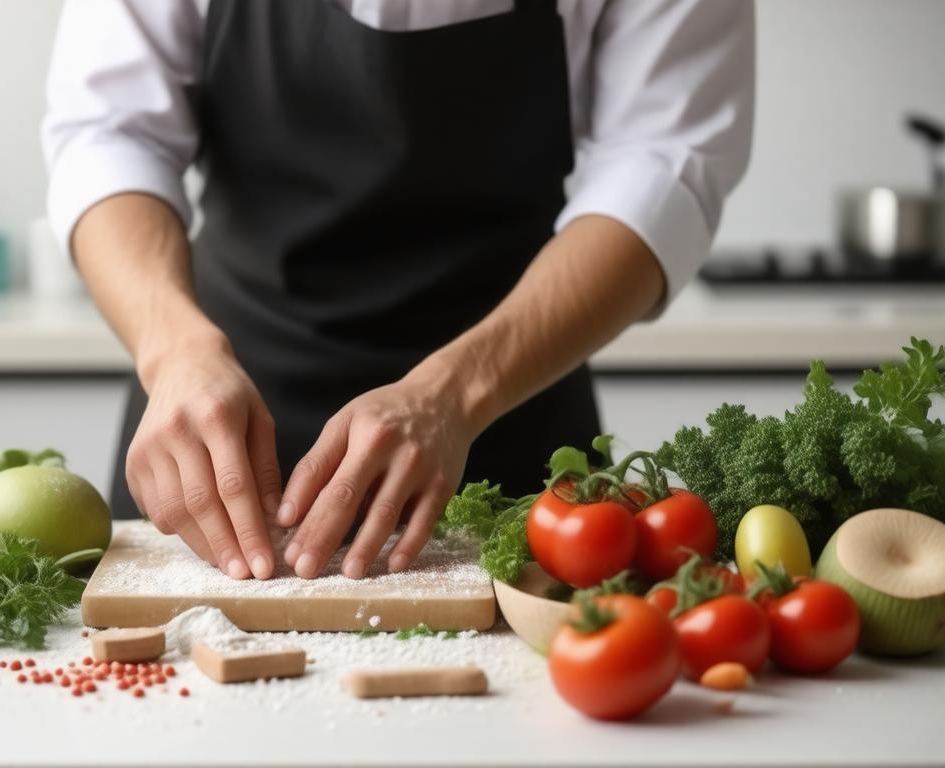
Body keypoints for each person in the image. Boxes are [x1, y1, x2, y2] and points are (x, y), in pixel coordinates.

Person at [43, 0, 754, 582]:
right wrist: (174, 351)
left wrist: (456, 393)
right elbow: (109, 134)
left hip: (511, 410)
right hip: (218, 404)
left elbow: (663, 164)